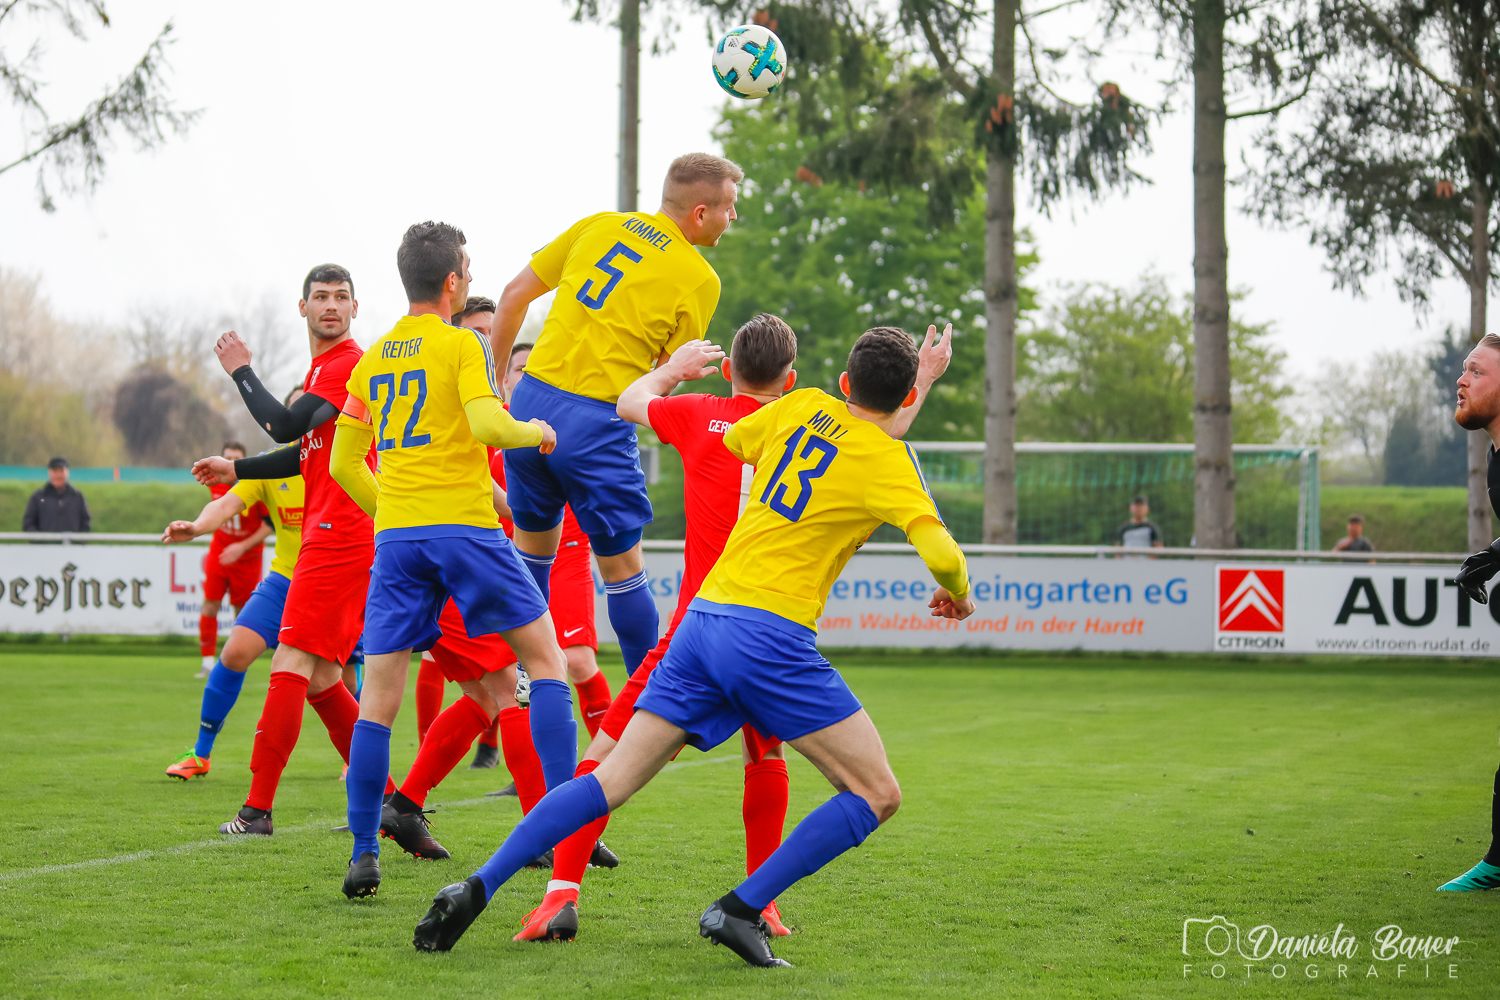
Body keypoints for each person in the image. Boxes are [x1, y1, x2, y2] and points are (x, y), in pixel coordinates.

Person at [414, 327, 975, 967]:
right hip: (770, 636)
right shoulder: (890, 463)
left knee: (609, 777)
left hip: (702, 622)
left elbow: (755, 439)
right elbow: (940, 550)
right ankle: (743, 906)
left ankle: (477, 885)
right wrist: (958, 592)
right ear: (905, 396)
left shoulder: (801, 408)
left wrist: (897, 396)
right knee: (876, 793)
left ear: (845, 382)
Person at [330, 220, 576, 900]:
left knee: (377, 704)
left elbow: (345, 463)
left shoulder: (373, 358)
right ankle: (566, 836)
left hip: (398, 542)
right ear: (451, 282)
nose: (469, 278)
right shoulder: (463, 343)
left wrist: (393, 509)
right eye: (466, 270)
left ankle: (364, 853)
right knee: (545, 663)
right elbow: (488, 424)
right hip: (465, 532)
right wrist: (536, 430)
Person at [490, 152, 744, 679]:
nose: (733, 217)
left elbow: (513, 296)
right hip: (595, 421)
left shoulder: (599, 225)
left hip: (528, 404)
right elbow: (660, 377)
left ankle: (532, 679)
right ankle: (645, 702)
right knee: (624, 573)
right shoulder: (700, 278)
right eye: (729, 207)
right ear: (700, 213)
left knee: (532, 553)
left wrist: (497, 385)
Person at [191, 264, 381, 837]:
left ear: (355, 308)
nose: (331, 305)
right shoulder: (324, 369)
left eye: (341, 297)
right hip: (339, 533)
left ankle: (257, 811)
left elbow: (280, 425)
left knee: (289, 663)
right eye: (320, 296)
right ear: (304, 308)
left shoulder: (345, 364)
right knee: (321, 679)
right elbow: (303, 454)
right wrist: (238, 469)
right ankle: (392, 800)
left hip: (340, 533)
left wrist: (240, 370)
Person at [160, 437, 305, 780]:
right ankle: (201, 754)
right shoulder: (271, 464)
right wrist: (196, 527)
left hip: (333, 580)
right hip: (285, 579)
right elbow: (225, 504)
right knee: (235, 653)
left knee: (334, 677)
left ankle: (355, 760)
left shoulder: (339, 457)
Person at [1440, 332, 1500, 891]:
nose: (1461, 380)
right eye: (1464, 369)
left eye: (1477, 371)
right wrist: (1487, 558)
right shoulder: (1495, 457)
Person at [195, 441, 272, 678]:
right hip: (219, 552)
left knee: (242, 613)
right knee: (210, 604)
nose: (230, 462)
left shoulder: (255, 484)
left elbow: (269, 524)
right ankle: (207, 663)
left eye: (236, 458)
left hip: (248, 558)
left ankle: (235, 665)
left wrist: (241, 546)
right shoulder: (216, 482)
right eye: (227, 458)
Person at [22, 457, 90, 535]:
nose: (58, 475)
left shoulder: (77, 497)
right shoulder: (38, 497)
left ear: (67, 472)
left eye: (61, 471)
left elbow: (85, 523)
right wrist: (40, 540)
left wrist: (79, 540)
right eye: (55, 471)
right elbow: (28, 523)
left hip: (71, 543)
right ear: (49, 473)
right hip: (45, 543)